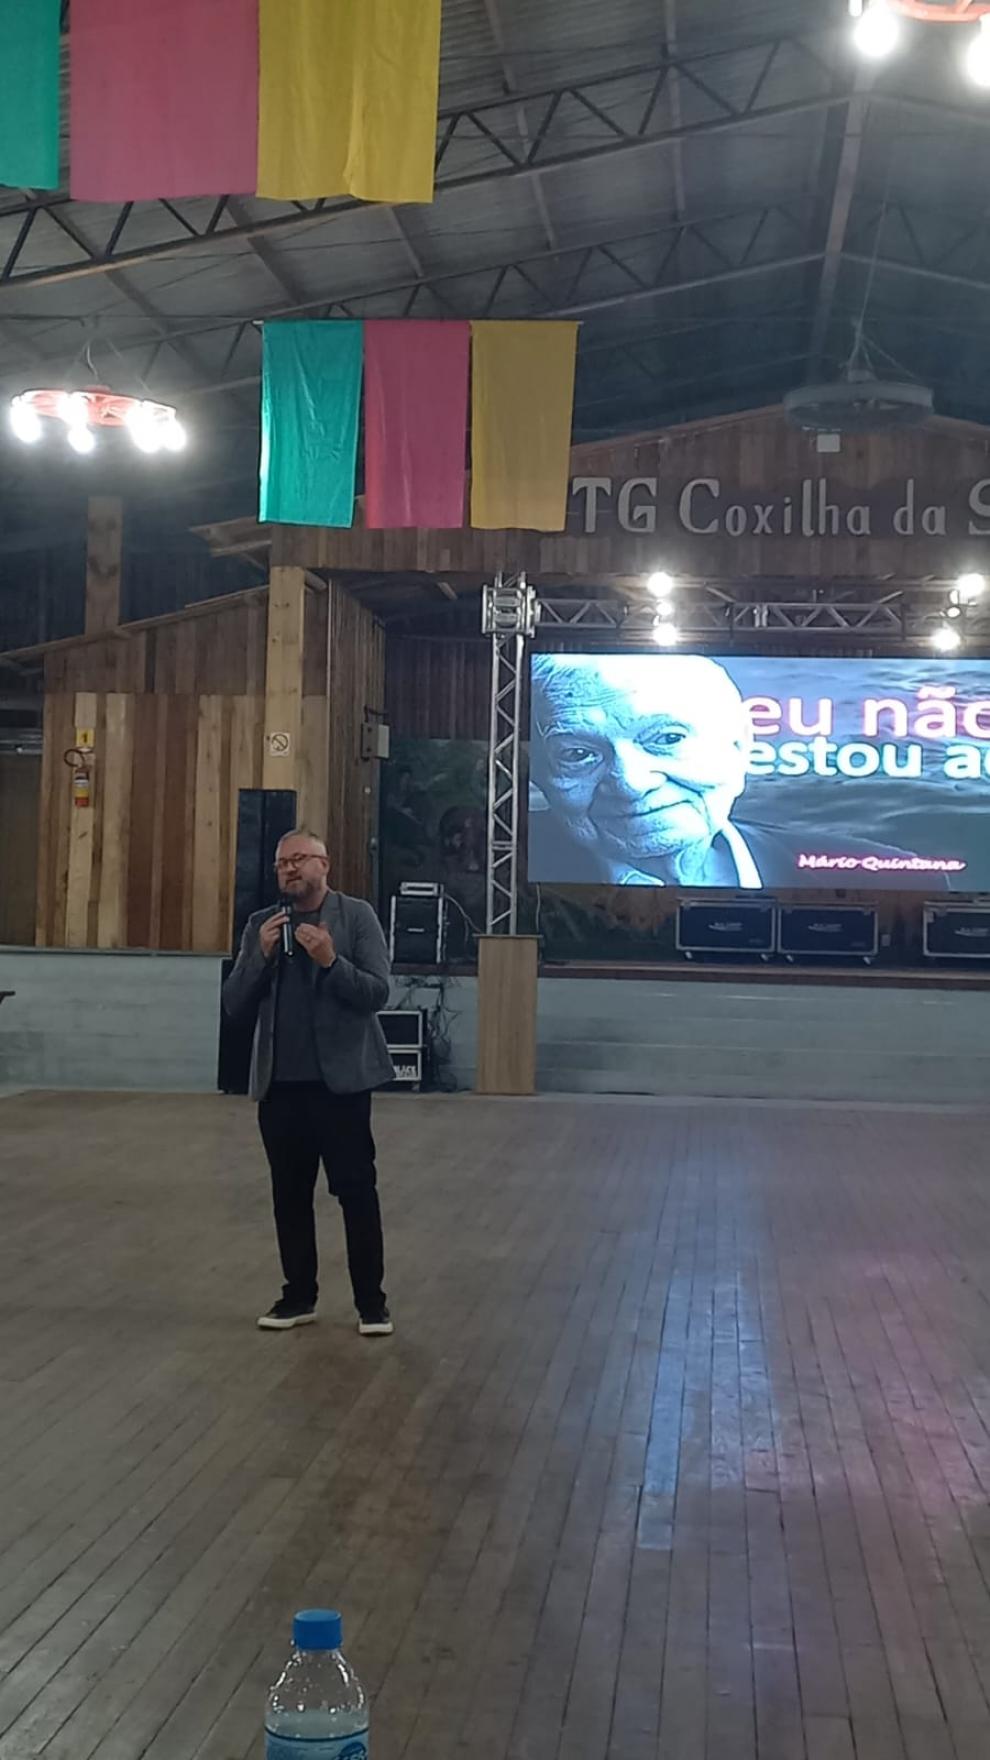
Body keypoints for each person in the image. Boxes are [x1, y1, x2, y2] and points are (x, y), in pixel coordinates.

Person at [529, 654, 944, 889]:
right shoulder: (504, 891)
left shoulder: (894, 880)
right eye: (577, 754)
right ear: (539, 774)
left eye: (667, 738)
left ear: (741, 745)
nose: (631, 783)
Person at [222, 828, 396, 1336]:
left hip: (340, 1086)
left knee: (355, 1191)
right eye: (282, 863)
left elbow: (377, 993)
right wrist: (260, 955)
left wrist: (330, 962)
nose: (290, 869)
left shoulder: (356, 917)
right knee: (289, 1195)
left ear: (325, 864)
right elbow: (233, 1003)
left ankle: (371, 1304)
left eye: (299, 859)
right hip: (280, 1086)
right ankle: (298, 1296)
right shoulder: (261, 924)